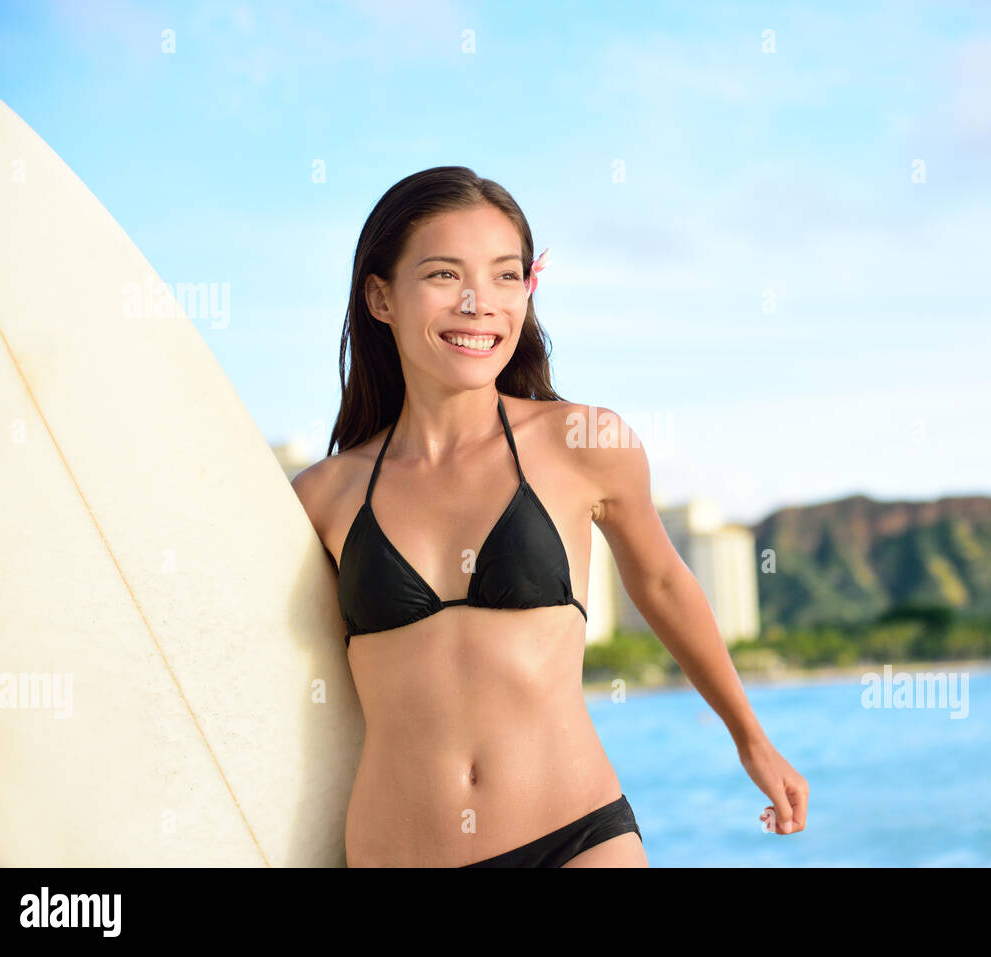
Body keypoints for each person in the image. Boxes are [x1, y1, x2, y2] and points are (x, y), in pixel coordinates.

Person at [292, 166, 807, 867]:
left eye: (506, 276)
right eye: (445, 275)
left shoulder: (583, 444)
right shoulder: (324, 496)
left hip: (575, 835)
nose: (480, 304)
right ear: (380, 296)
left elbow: (661, 584)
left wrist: (750, 734)